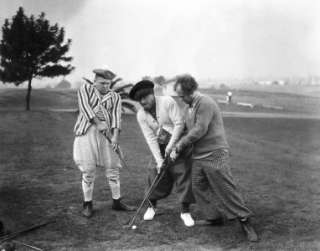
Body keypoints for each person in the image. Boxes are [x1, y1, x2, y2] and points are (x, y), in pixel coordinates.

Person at [173, 74, 258, 241]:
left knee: (225, 188)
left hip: (215, 152)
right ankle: (214, 217)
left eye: (182, 96)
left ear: (191, 92)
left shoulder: (205, 103)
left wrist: (181, 144)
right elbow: (184, 127)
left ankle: (245, 221)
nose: (181, 99)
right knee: (198, 186)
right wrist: (172, 144)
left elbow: (199, 129)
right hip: (199, 155)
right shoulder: (188, 106)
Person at [129, 80, 195, 227]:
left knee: (182, 173)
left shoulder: (167, 101)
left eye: (145, 97)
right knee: (154, 172)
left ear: (152, 94)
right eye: (140, 99)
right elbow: (150, 139)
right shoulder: (141, 115)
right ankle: (152, 207)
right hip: (160, 145)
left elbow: (179, 124)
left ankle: (185, 212)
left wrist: (171, 146)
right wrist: (159, 161)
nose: (143, 101)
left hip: (179, 143)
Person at [73, 68, 136, 218]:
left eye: (108, 84)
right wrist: (97, 122)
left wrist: (115, 137)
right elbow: (85, 108)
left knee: (112, 168)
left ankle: (117, 201)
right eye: (102, 83)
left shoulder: (115, 97)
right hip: (86, 133)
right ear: (95, 81)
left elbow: (116, 118)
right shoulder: (85, 89)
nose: (105, 86)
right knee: (88, 170)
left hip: (106, 135)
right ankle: (87, 204)